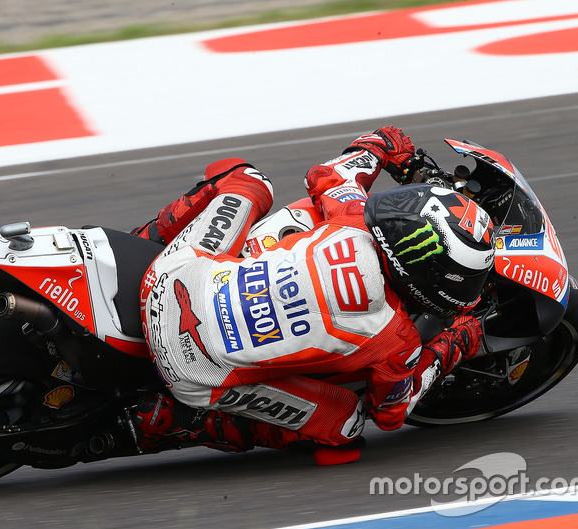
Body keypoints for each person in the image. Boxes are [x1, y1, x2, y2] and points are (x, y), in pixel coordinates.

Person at [132, 126, 494, 464]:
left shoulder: (350, 218)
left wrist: (388, 147)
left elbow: (328, 173)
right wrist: (456, 343)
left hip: (167, 279)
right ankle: (190, 422)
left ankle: (141, 242)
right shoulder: (396, 340)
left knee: (245, 179)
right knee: (347, 428)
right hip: (192, 370)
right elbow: (392, 413)